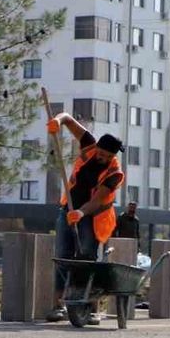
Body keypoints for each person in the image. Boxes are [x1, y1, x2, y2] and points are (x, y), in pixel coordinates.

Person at [45, 112, 125, 325]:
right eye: (101, 153)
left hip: (93, 217)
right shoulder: (89, 144)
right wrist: (57, 122)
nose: (102, 158)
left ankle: (90, 309)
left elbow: (97, 201)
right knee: (63, 257)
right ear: (97, 146)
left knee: (87, 259)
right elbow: (68, 119)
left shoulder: (115, 173)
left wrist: (81, 213)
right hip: (67, 210)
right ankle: (59, 306)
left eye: (107, 156)